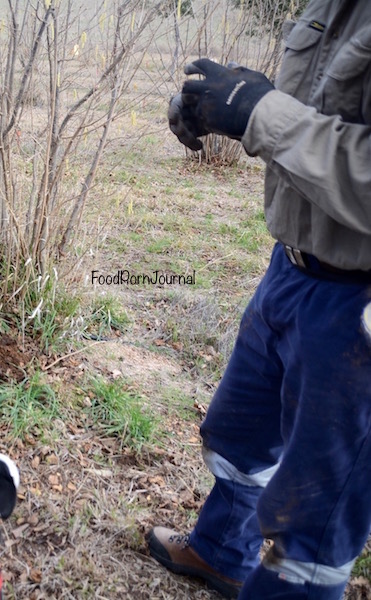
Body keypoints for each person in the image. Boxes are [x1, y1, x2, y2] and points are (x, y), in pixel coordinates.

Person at [150, 2, 371, 599]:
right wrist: (233, 103)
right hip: (292, 267)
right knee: (241, 438)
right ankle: (222, 552)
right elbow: (316, 116)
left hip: (360, 307)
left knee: (311, 528)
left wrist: (262, 112)